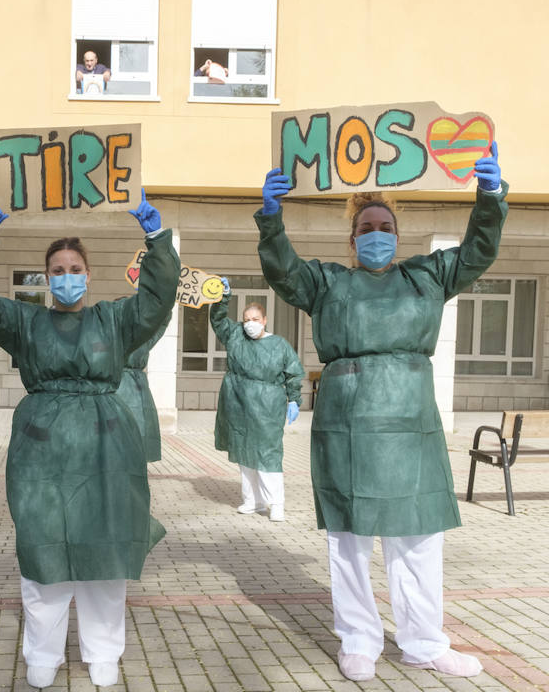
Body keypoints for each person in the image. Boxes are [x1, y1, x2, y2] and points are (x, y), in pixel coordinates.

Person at [254, 144, 506, 682]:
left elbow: (478, 252)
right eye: (367, 225)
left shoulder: (427, 277)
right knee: (349, 540)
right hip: (347, 427)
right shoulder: (328, 284)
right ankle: (359, 640)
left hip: (411, 425)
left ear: (397, 234)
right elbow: (285, 273)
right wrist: (272, 220)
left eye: (385, 225)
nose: (376, 233)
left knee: (417, 538)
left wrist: (490, 197)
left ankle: (424, 642)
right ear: (352, 238)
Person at [0, 192, 178, 689]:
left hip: (107, 445)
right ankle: (42, 658)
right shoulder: (26, 322)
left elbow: (158, 299)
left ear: (88, 272)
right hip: (42, 448)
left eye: (74, 266)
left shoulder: (114, 319)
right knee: (44, 552)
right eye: (56, 269)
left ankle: (104, 659)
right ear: (45, 278)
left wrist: (156, 239)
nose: (66, 275)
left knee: (104, 554)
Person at [209, 285, 301, 522]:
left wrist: (294, 399)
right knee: (244, 451)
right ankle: (253, 501)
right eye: (247, 319)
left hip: (268, 405)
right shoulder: (235, 334)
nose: (251, 323)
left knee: (267, 453)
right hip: (237, 399)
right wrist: (222, 297)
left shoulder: (279, 344)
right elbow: (218, 320)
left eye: (255, 319)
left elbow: (293, 373)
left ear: (265, 320)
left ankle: (276, 503)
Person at [114, 305, 172, 464]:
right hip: (112, 389)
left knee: (137, 437)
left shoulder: (142, 338)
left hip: (136, 391)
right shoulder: (104, 335)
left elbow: (161, 324)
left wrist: (162, 301)